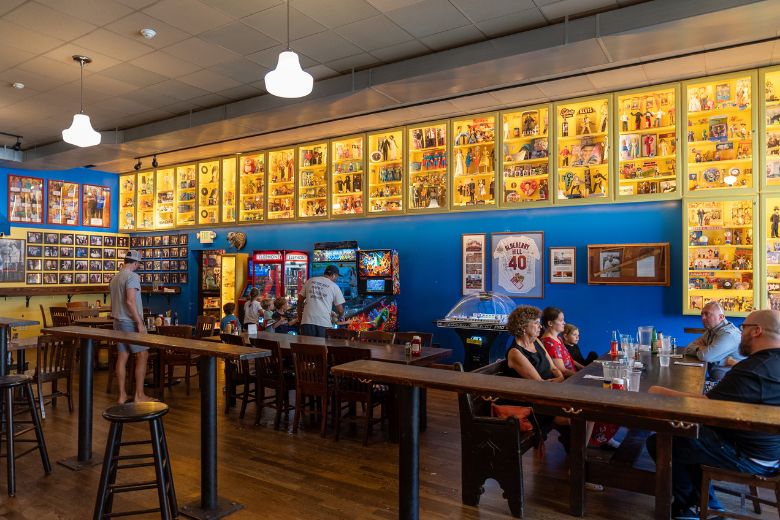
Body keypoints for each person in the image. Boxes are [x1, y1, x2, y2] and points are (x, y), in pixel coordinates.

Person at [647, 309, 780, 519]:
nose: (739, 332)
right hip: (771, 453)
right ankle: (707, 502)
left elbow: (704, 407)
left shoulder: (753, 369)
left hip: (752, 456)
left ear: (756, 331)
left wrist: (659, 391)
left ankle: (687, 506)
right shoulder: (768, 365)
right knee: (688, 434)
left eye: (743, 327)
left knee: (664, 440)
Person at [110, 250, 153, 405]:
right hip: (130, 322)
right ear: (136, 263)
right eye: (138, 264)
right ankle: (139, 395)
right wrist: (139, 323)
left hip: (117, 321)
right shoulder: (132, 276)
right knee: (143, 355)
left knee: (123, 356)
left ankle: (122, 395)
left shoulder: (115, 278)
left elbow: (113, 303)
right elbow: (130, 301)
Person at [684, 301, 743, 381]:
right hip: (716, 381)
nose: (703, 318)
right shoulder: (711, 330)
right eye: (702, 314)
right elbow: (688, 348)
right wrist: (725, 360)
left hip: (731, 385)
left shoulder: (729, 335)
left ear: (721, 317)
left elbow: (705, 356)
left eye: (707, 314)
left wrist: (708, 353)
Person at [297, 264, 345, 338]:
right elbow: (340, 310)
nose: (337, 279)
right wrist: (340, 317)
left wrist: (300, 317)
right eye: (337, 276)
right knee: (321, 348)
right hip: (323, 323)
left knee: (307, 347)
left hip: (307, 321)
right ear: (334, 275)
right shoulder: (334, 286)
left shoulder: (311, 280)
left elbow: (299, 301)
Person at [540, 307, 579, 377]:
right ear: (550, 323)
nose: (564, 323)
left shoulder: (558, 338)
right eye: (561, 320)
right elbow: (563, 371)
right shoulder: (549, 343)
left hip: (573, 375)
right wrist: (581, 376)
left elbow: (570, 359)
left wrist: (584, 369)